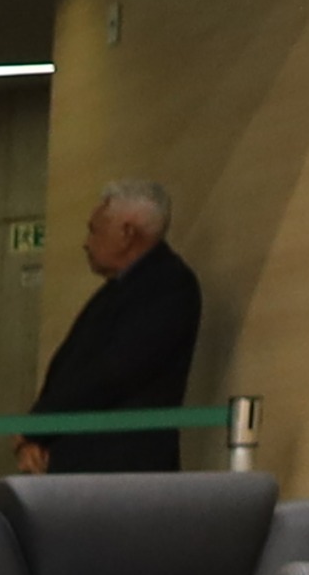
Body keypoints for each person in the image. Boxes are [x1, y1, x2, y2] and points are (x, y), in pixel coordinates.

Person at [19, 181, 202, 476]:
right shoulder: (116, 291)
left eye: (94, 230)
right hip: (83, 465)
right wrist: (38, 435)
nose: (86, 243)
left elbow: (112, 373)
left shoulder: (169, 287)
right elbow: (71, 369)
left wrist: (37, 426)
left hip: (123, 471)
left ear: (127, 233)